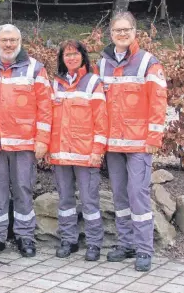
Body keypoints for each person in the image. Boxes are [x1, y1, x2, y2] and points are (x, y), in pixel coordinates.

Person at [96, 12, 167, 271]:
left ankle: (144, 249)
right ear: (111, 34)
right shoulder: (102, 64)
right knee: (120, 196)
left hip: (138, 143)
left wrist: (153, 137)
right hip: (113, 144)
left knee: (138, 195)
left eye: (127, 30)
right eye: (118, 30)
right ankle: (126, 244)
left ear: (135, 32)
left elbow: (158, 101)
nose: (122, 34)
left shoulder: (148, 62)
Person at [0, 24, 53, 257]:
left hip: (24, 144)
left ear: (20, 41)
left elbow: (45, 107)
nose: (8, 44)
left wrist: (43, 140)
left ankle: (24, 236)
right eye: (4, 40)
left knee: (23, 190)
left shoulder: (35, 69)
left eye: (12, 40)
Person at [47, 40, 108, 260]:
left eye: (75, 54)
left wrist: (97, 150)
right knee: (65, 201)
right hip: (60, 154)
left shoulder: (93, 82)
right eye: (67, 54)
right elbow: (49, 118)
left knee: (89, 201)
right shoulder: (55, 84)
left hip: (86, 155)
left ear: (83, 56)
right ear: (61, 58)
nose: (71, 58)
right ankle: (68, 240)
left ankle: (94, 244)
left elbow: (101, 120)